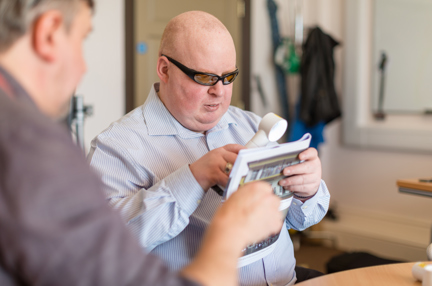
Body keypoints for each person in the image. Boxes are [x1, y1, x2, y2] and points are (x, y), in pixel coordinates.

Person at [0, 1, 284, 285]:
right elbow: (106, 271)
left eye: (228, 77)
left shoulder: (248, 121)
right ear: (49, 32)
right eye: (82, 39)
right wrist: (230, 232)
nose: (83, 67)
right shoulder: (34, 147)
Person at [88, 11, 331, 286]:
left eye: (229, 77)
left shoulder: (250, 124)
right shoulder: (117, 146)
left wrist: (306, 192)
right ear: (164, 69)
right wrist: (193, 178)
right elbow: (104, 249)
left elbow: (299, 220)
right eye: (205, 78)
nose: (220, 91)